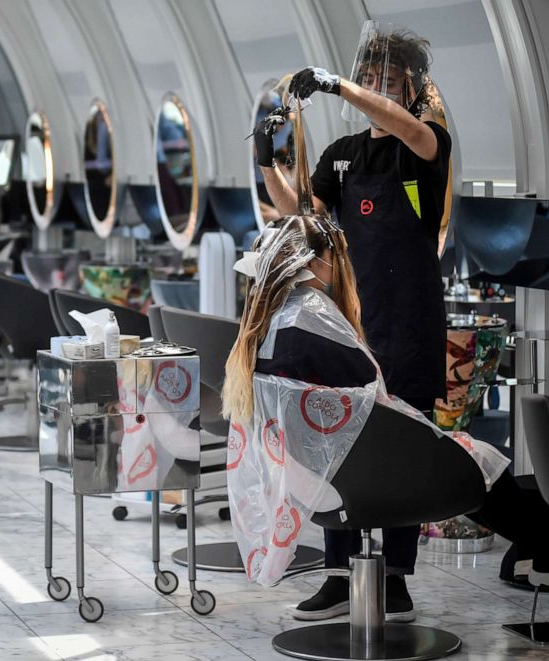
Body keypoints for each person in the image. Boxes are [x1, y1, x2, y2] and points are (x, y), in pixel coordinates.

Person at [222, 214, 548, 593]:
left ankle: (536, 545)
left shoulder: (267, 322)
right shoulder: (313, 320)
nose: (340, 264)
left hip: (309, 479)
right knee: (482, 466)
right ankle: (542, 543)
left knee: (475, 459)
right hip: (362, 476)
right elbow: (375, 402)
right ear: (312, 261)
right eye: (333, 255)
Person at [254, 22, 450, 620]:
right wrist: (267, 159)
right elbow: (303, 219)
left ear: (413, 87)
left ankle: (396, 579)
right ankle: (338, 574)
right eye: (368, 77)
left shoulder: (425, 144)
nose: (375, 89)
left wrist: (335, 84)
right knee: (331, 444)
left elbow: (409, 127)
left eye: (387, 81)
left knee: (403, 447)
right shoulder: (341, 157)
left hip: (410, 324)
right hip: (348, 326)